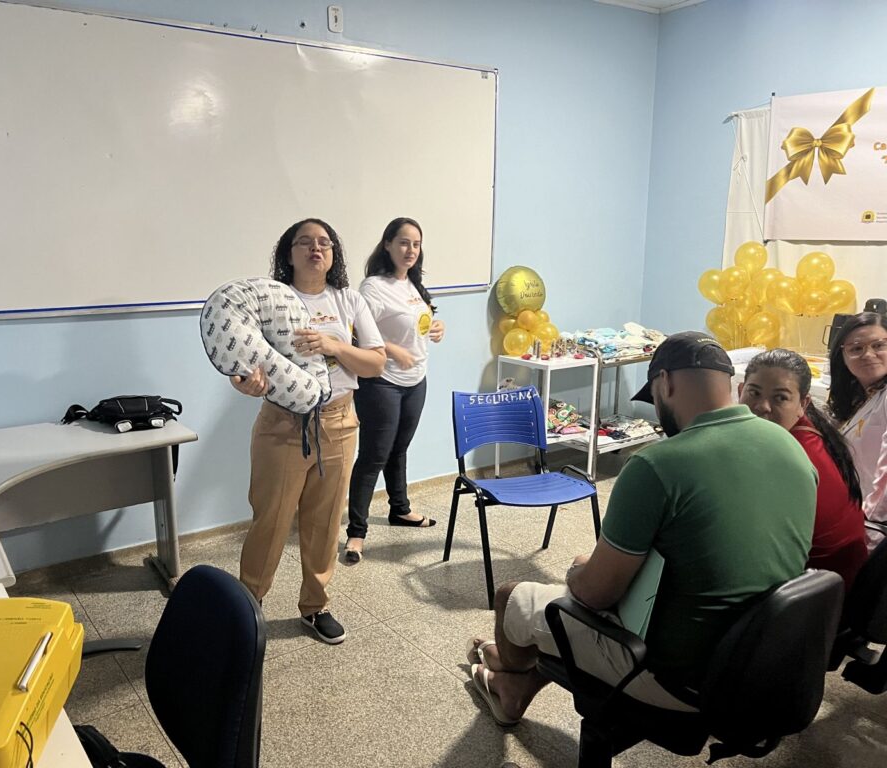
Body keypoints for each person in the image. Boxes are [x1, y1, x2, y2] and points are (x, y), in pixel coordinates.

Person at [464, 332, 816, 726]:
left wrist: (577, 573)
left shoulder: (656, 465)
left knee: (513, 597)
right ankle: (516, 672)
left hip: (676, 678)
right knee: (581, 585)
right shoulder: (790, 447)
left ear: (664, 383)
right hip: (759, 664)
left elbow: (595, 594)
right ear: (732, 385)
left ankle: (509, 678)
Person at [230, 218, 386, 644]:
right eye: (305, 242)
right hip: (282, 424)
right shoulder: (268, 300)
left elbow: (375, 363)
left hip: (338, 422)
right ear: (289, 253)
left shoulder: (349, 300)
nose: (316, 249)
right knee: (271, 520)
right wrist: (247, 384)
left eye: (325, 243)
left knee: (325, 521)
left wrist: (335, 346)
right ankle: (248, 606)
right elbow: (242, 368)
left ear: (334, 254)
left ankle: (315, 606)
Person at [344, 218, 445, 563]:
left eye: (416, 244)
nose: (410, 250)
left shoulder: (412, 284)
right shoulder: (373, 287)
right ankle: (356, 533)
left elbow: (416, 324)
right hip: (381, 381)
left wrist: (437, 326)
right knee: (374, 455)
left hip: (416, 380)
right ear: (387, 244)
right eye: (403, 242)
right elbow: (355, 332)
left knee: (399, 449)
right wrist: (391, 350)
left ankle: (399, 509)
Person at [739, 348, 867, 590]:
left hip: (819, 595)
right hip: (837, 584)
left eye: (780, 398)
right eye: (754, 392)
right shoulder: (810, 430)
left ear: (803, 404)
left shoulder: (789, 456)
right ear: (739, 391)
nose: (763, 406)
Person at [829, 311, 887, 551]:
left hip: (876, 529)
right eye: (856, 348)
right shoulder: (858, 398)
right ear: (842, 356)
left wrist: (871, 525)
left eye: (879, 345)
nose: (868, 354)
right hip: (856, 518)